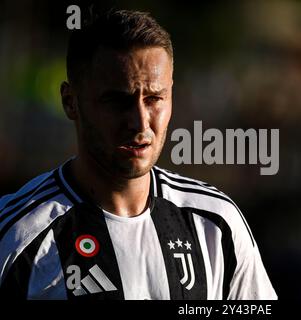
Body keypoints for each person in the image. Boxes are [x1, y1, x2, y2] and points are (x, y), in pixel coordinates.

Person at [0, 9, 277, 300]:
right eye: (118, 101)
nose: (140, 122)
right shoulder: (18, 237)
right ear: (71, 102)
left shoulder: (216, 225)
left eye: (154, 99)